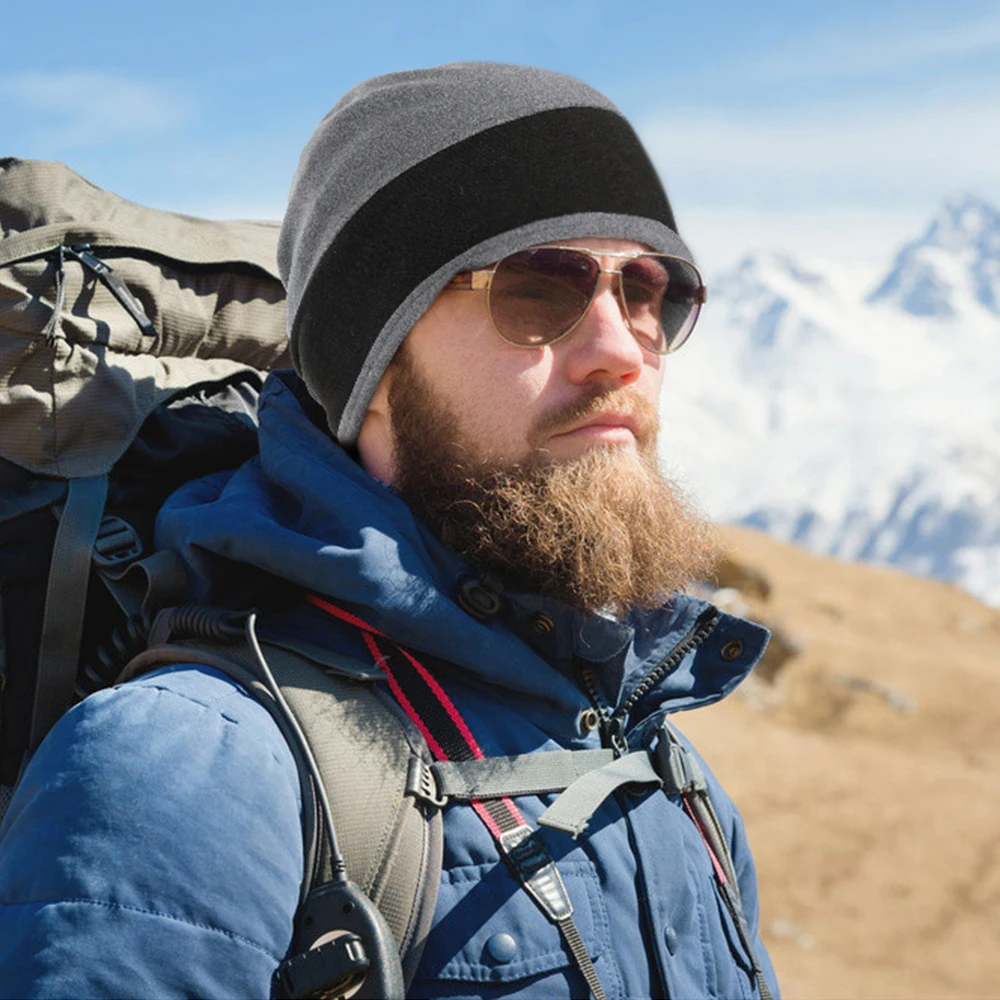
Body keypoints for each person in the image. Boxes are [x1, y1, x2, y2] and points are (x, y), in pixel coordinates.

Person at [0, 63, 780, 999]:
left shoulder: (665, 767)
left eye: (651, 292)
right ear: (373, 363)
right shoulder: (189, 772)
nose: (621, 350)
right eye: (540, 288)